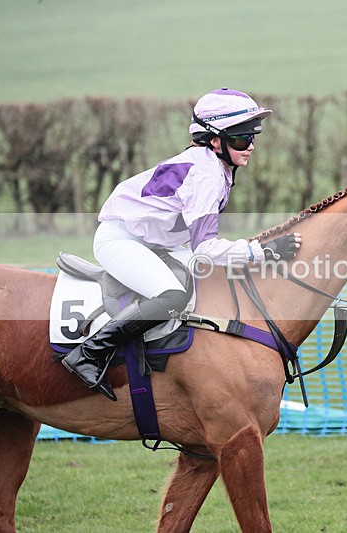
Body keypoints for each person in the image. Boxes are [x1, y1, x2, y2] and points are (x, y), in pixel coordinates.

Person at [61, 88, 301, 401]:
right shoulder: (206, 175)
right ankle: (88, 354)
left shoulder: (213, 166)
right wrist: (263, 252)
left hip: (157, 242)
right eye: (242, 139)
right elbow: (206, 250)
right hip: (122, 240)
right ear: (215, 140)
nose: (251, 146)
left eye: (253, 137)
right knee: (172, 295)